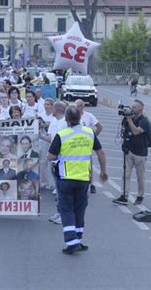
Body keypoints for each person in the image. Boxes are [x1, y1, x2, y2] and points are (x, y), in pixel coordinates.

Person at [47, 105, 108, 254]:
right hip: (83, 179)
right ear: (80, 118)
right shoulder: (89, 133)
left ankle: (72, 242)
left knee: (66, 210)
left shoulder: (62, 135)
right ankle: (78, 240)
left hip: (66, 178)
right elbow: (101, 153)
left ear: (67, 119)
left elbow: (50, 156)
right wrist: (103, 171)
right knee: (79, 210)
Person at [113, 99, 150, 206]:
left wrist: (129, 119)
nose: (132, 109)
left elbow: (136, 131)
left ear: (140, 109)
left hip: (140, 152)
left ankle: (140, 196)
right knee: (125, 174)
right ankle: (124, 195)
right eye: (131, 106)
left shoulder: (145, 121)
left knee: (140, 176)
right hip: (129, 151)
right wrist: (126, 119)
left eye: (134, 107)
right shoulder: (131, 118)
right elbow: (124, 132)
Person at [75, 99, 103, 194]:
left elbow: (99, 126)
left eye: (80, 106)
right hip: (75, 143)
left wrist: (93, 137)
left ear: (83, 107)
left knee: (88, 164)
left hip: (85, 143)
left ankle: (92, 184)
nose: (78, 108)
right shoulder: (73, 116)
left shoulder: (89, 116)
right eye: (77, 106)